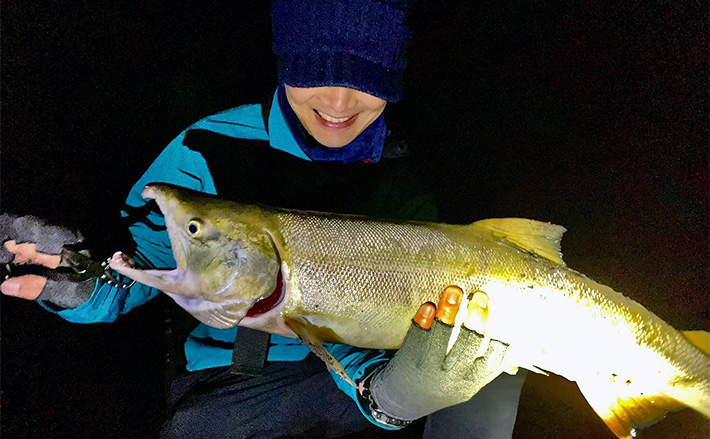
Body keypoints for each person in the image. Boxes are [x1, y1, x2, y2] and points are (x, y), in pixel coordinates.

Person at [0, 1, 526, 437]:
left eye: (367, 80)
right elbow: (143, 269)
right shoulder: (206, 148)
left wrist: (392, 396)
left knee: (498, 368)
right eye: (315, 74)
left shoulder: (406, 180)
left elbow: (374, 333)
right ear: (285, 63)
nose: (339, 103)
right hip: (234, 383)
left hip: (363, 377)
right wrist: (85, 277)